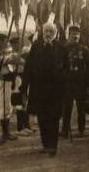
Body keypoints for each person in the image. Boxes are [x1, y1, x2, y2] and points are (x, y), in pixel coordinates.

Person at [22, 23, 68, 156]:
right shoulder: (36, 47)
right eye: (46, 31)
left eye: (51, 31)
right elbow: (28, 67)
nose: (48, 34)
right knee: (42, 118)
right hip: (39, 90)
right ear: (42, 32)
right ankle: (45, 144)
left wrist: (62, 81)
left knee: (53, 118)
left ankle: (52, 146)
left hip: (55, 90)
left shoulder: (61, 48)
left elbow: (67, 68)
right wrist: (24, 86)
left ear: (55, 33)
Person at [61, 25, 89, 138]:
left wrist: (87, 81)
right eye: (73, 34)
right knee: (66, 108)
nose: (75, 36)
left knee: (81, 107)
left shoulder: (84, 50)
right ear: (69, 35)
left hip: (80, 83)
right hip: (67, 83)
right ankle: (65, 130)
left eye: (77, 34)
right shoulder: (63, 49)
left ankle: (81, 129)